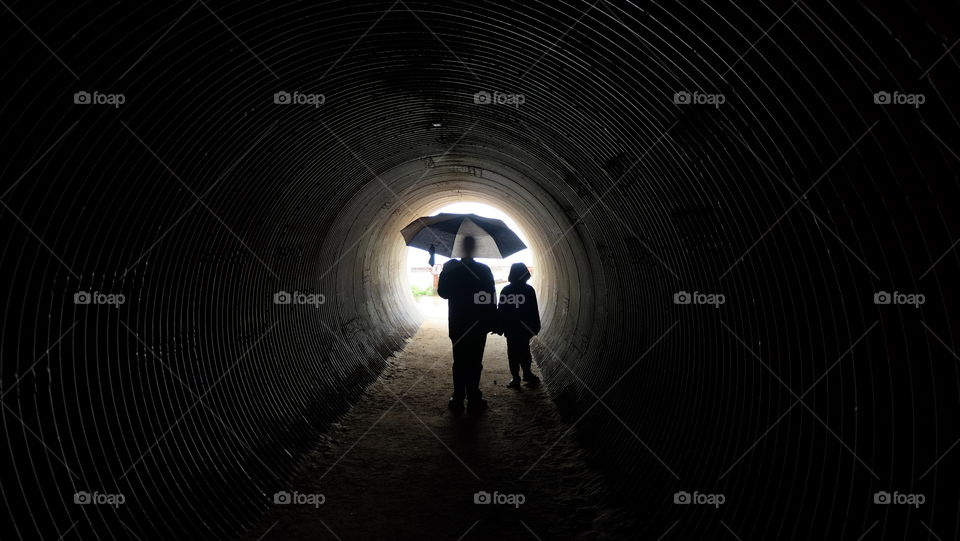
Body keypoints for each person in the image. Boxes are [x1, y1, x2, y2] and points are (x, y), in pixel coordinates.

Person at [437, 236, 496, 412]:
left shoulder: (452, 269)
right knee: (475, 361)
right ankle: (473, 397)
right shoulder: (484, 270)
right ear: (475, 249)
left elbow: (443, 293)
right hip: (478, 324)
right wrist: (493, 321)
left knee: (459, 361)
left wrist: (445, 271)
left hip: (457, 323)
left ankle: (457, 398)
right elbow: (490, 298)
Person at [495, 262, 541, 388]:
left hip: (511, 328)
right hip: (524, 328)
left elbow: (501, 310)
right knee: (525, 350)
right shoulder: (529, 290)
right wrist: (535, 326)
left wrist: (499, 327)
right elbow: (534, 310)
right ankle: (527, 373)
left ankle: (516, 378)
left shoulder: (506, 290)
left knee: (512, 353)